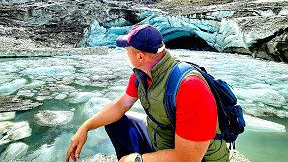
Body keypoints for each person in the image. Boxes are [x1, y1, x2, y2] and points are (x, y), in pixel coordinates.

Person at [66, 24, 229, 162]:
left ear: (141, 57)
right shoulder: (141, 75)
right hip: (163, 139)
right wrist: (86, 127)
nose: (125, 53)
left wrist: (138, 159)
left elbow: (187, 158)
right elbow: (120, 105)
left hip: (198, 158)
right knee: (116, 123)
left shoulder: (190, 87)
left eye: (127, 50)